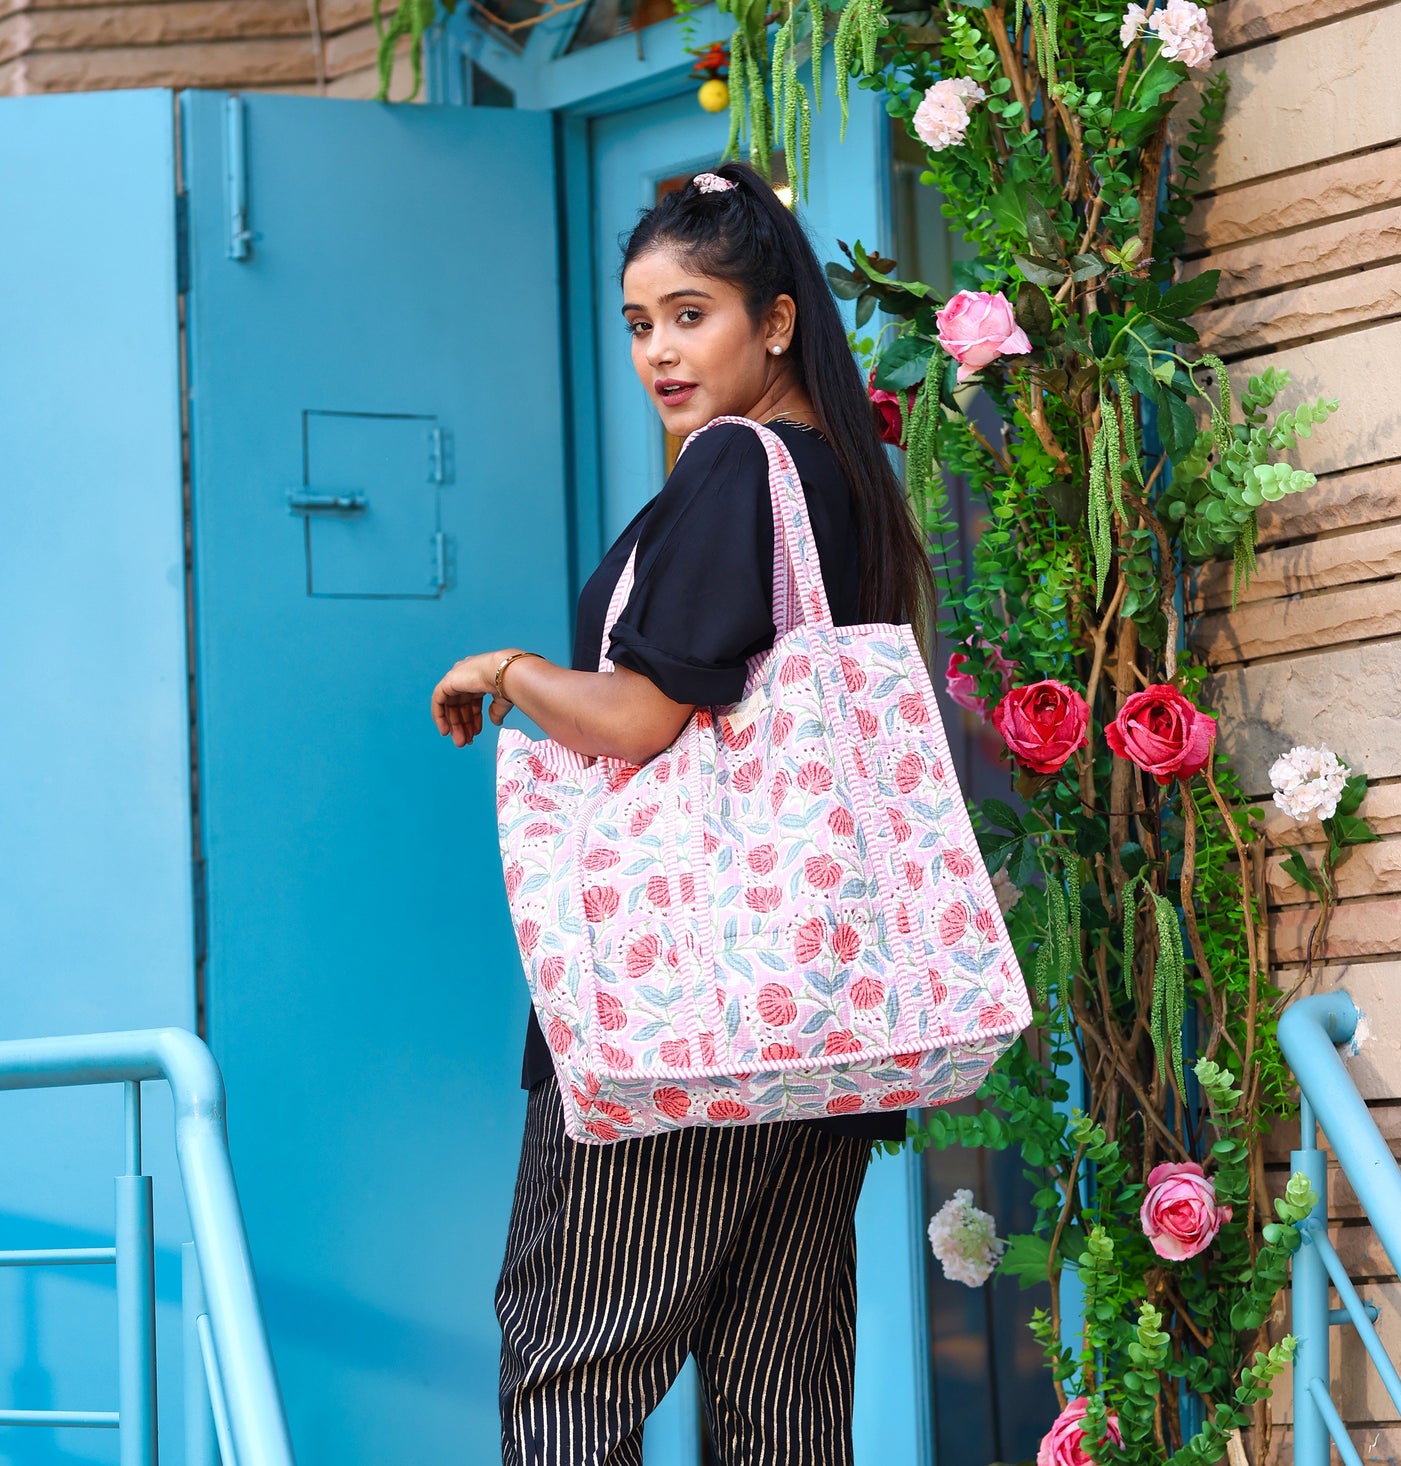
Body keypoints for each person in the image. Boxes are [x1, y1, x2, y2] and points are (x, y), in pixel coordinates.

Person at [429, 161, 935, 1466]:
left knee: (571, 1374)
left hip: (678, 1022)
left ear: (773, 320)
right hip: (812, 1022)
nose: (659, 349)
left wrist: (509, 673)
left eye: (690, 313)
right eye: (638, 322)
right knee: (780, 1404)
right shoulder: (842, 481)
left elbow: (647, 716)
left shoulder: (731, 467)